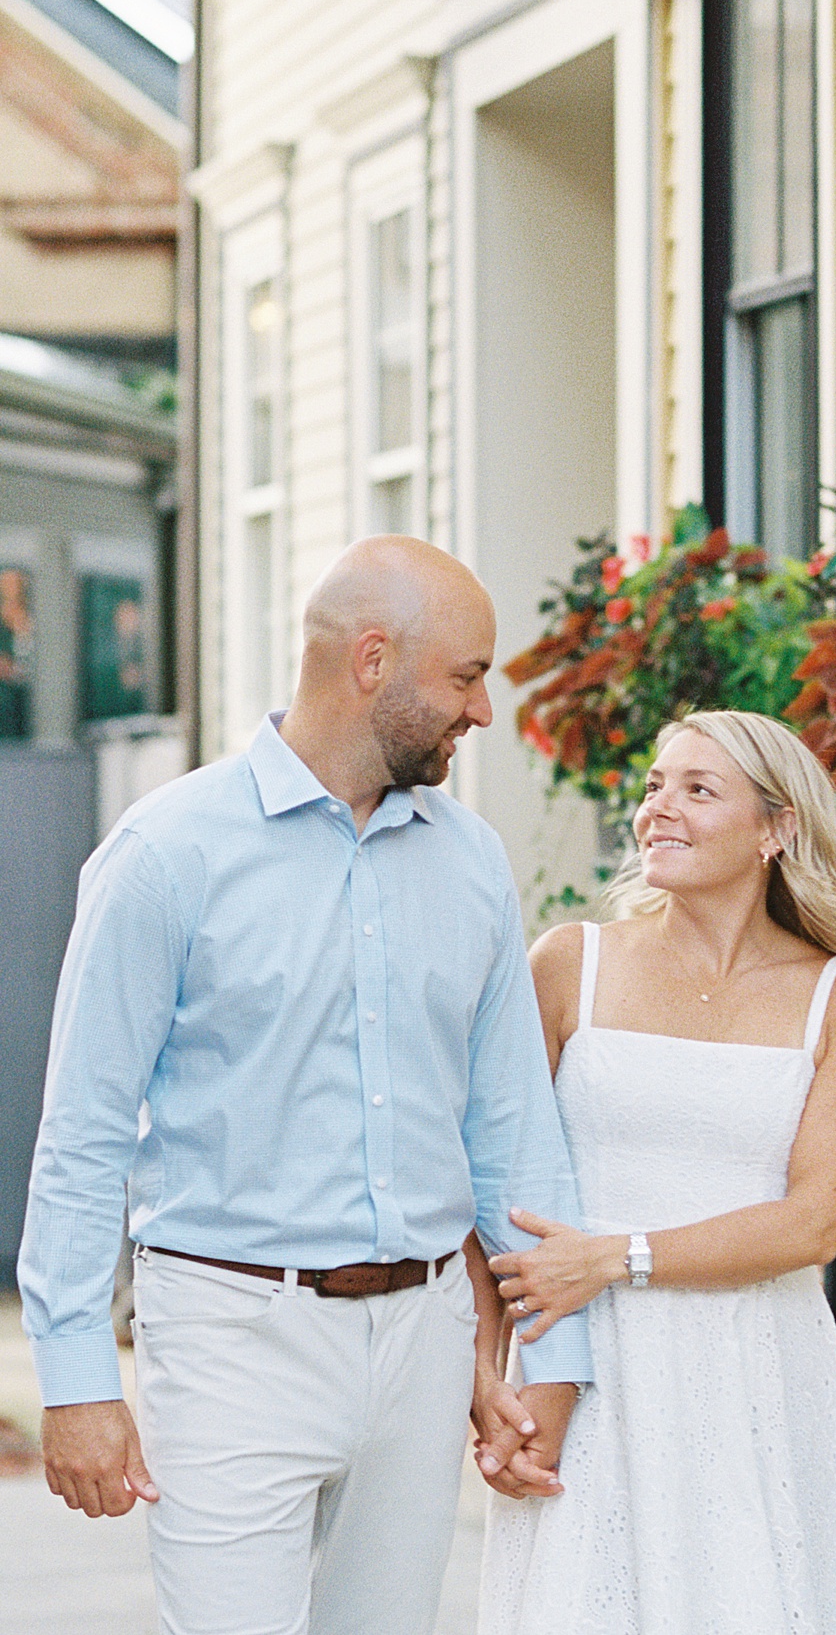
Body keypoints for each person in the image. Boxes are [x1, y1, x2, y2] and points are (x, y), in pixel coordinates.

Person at [18, 536, 591, 1635]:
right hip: (233, 1329)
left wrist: (553, 1356)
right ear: (372, 659)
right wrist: (76, 1376)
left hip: (426, 1336)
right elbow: (82, 1133)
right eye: (466, 676)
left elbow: (514, 1136)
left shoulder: (471, 861)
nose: (482, 711)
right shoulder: (166, 855)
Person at [473, 709, 836, 1634]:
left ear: (775, 830)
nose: (658, 807)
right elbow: (496, 1186)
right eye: (657, 784)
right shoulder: (568, 964)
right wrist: (485, 1372)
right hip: (587, 1373)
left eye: (698, 790)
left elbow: (814, 1221)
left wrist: (614, 1257)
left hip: (756, 1374)